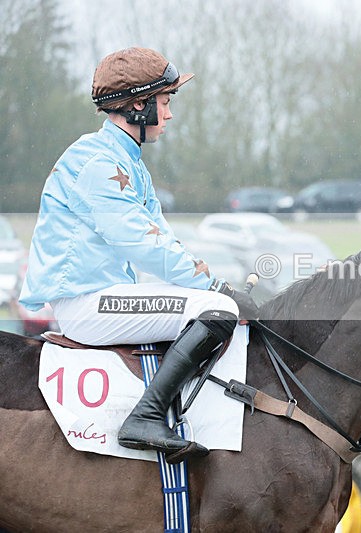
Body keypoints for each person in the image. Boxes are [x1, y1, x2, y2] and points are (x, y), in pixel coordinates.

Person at [19, 47, 258, 462]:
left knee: (213, 303)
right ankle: (144, 417)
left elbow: (164, 240)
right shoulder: (99, 163)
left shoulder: (126, 162)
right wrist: (218, 291)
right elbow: (145, 246)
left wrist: (216, 284)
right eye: (164, 103)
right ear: (138, 106)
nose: (169, 115)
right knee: (216, 311)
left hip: (104, 297)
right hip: (88, 305)